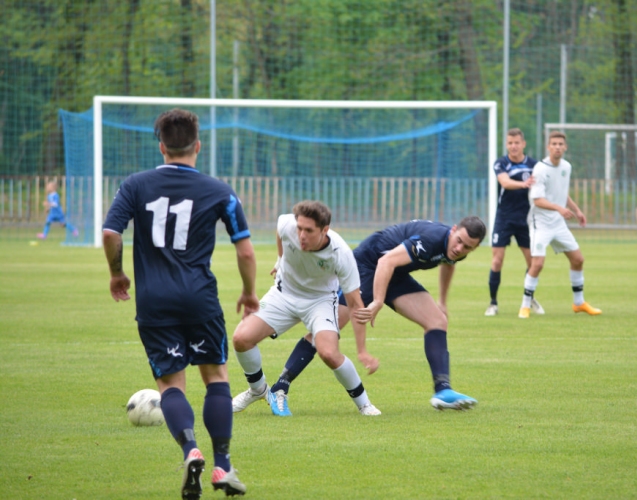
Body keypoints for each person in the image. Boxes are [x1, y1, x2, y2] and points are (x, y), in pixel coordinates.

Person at [102, 109, 253, 499]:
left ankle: (191, 449)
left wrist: (117, 273)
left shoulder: (135, 184)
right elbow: (246, 250)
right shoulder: (221, 191)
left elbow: (110, 232)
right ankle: (222, 464)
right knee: (216, 378)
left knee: (171, 385)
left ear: (162, 146)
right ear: (197, 146)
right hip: (200, 298)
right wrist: (249, 292)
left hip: (155, 302)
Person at [260, 217, 487, 415]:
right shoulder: (431, 239)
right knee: (328, 330)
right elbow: (385, 261)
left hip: (395, 274)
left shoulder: (456, 248)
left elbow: (448, 262)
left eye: (468, 247)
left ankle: (443, 390)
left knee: (437, 321)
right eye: (459, 241)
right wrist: (378, 301)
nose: (460, 249)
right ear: (454, 229)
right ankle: (281, 386)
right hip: (365, 266)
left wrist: (443, 302)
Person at [231, 200, 381, 418]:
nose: (301, 235)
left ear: (324, 230)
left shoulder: (341, 254)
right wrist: (279, 259)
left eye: (309, 231)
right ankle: (258, 390)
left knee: (328, 353)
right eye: (299, 228)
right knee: (241, 338)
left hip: (319, 301)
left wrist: (362, 351)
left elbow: (356, 305)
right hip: (283, 294)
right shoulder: (287, 224)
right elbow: (280, 231)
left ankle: (364, 404)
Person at [518, 131, 601, 319]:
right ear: (548, 147)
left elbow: (562, 193)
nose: (557, 147)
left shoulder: (566, 167)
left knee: (578, 259)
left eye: (560, 144)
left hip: (558, 223)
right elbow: (537, 200)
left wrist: (577, 210)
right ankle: (525, 306)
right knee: (537, 263)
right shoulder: (540, 168)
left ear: (565, 147)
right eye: (553, 144)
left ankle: (578, 303)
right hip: (541, 223)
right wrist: (559, 209)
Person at [485, 128, 544, 316]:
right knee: (497, 260)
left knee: (532, 262)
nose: (513, 146)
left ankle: (529, 298)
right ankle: (493, 303)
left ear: (523, 144)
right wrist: (523, 184)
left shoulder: (535, 165)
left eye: (517, 142)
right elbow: (505, 182)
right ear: (507, 145)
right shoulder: (501, 163)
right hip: (504, 217)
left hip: (527, 219)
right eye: (510, 143)